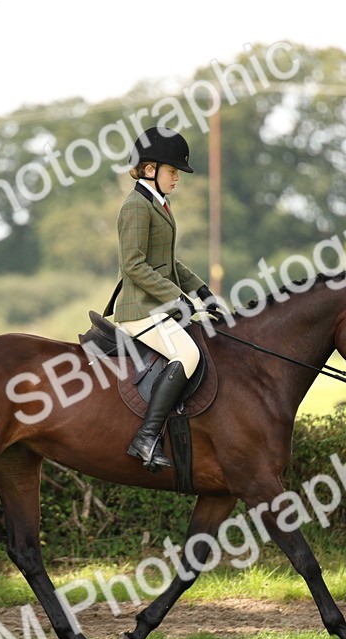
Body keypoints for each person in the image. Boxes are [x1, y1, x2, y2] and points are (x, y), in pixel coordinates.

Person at [112, 126, 221, 471]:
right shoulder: (135, 207)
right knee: (187, 354)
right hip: (139, 309)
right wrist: (176, 297)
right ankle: (146, 438)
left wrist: (201, 291)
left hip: (156, 305)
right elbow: (133, 265)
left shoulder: (159, 203)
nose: (177, 178)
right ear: (149, 169)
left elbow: (167, 262)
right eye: (173, 171)